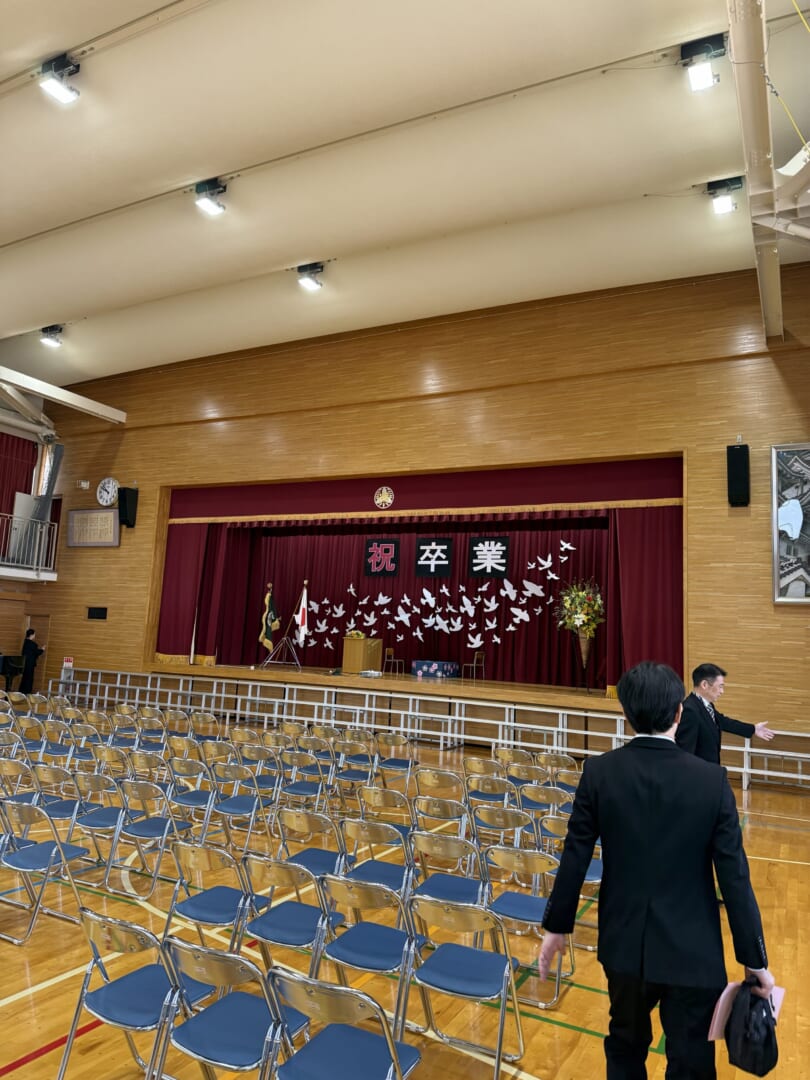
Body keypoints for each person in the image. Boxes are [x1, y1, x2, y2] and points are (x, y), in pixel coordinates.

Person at [539, 661, 774, 1080]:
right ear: (679, 713)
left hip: (624, 944)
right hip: (693, 950)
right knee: (692, 1061)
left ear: (625, 714)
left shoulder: (599, 772)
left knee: (624, 1048)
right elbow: (734, 878)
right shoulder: (712, 781)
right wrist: (754, 959)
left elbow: (575, 855)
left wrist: (557, 927)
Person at [676, 663, 775, 764]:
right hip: (700, 771)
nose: (722, 691)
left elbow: (724, 722)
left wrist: (753, 729)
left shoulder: (705, 705)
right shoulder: (689, 710)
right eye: (720, 687)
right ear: (704, 685)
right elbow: (686, 751)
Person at [19, 627, 44, 694]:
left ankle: (22, 692)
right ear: (32, 635)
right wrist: (42, 649)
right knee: (29, 679)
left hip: (24, 663)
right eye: (34, 634)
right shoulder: (32, 644)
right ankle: (27, 692)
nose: (34, 636)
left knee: (24, 678)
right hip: (30, 664)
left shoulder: (25, 642)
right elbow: (37, 652)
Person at [258, 582, 280, 653]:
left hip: (270, 616)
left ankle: (269, 646)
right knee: (268, 626)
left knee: (269, 625)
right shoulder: (270, 599)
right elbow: (271, 608)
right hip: (269, 617)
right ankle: (268, 644)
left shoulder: (271, 600)